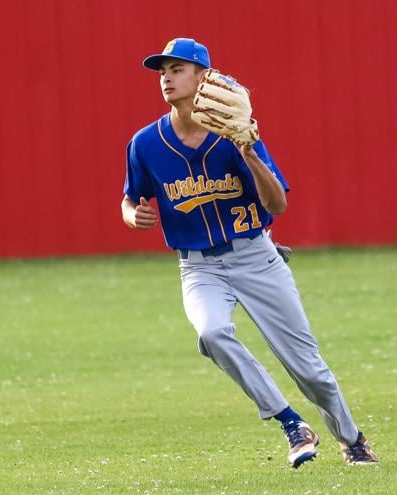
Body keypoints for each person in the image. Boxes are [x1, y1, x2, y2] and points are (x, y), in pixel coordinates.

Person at [121, 37, 378, 468]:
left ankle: (352, 439)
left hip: (256, 257)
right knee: (212, 333)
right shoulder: (145, 143)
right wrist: (133, 216)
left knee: (309, 370)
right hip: (198, 266)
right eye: (163, 70)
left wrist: (249, 153)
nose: (166, 76)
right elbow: (131, 198)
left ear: (205, 77)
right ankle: (290, 421)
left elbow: (277, 205)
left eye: (178, 68)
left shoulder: (234, 135)